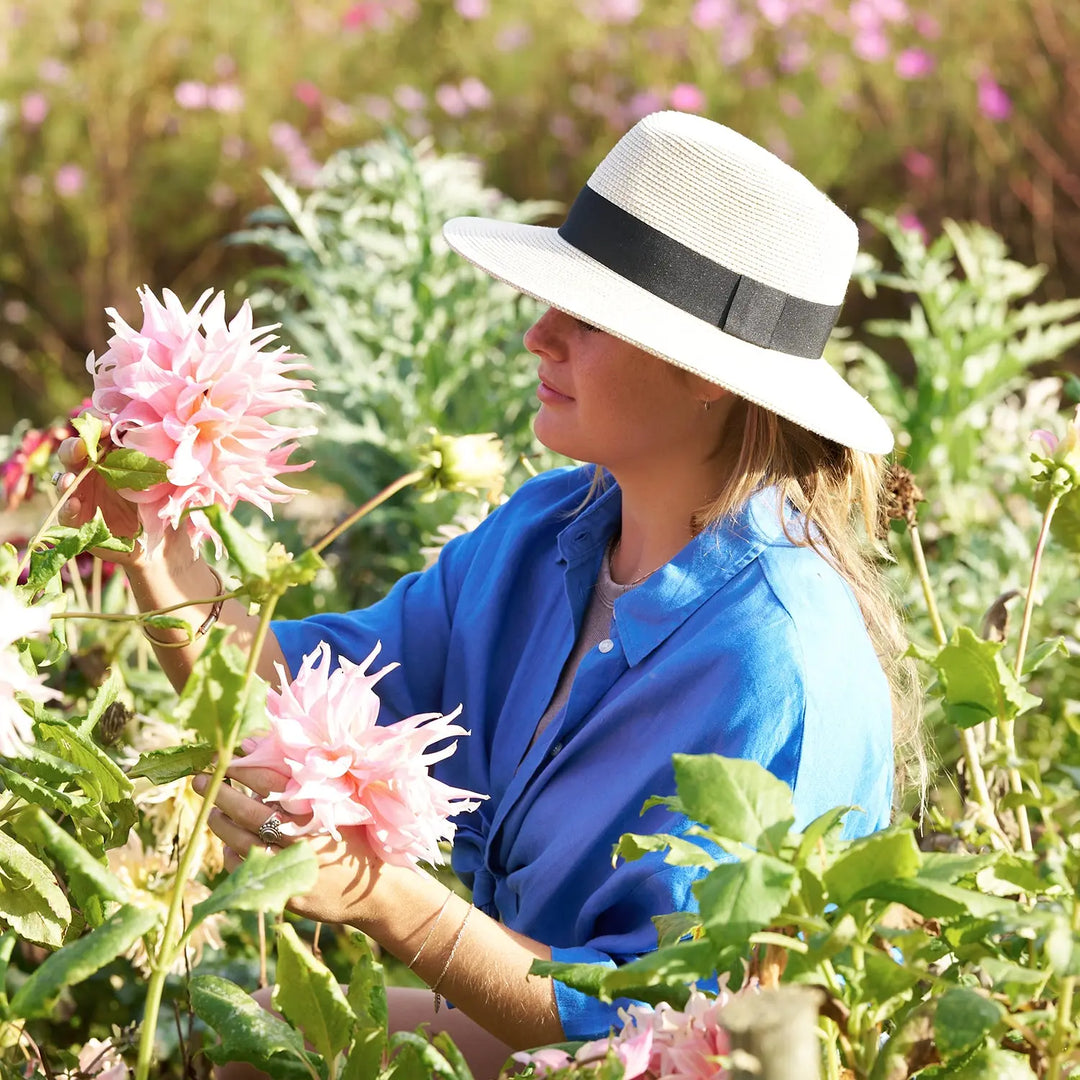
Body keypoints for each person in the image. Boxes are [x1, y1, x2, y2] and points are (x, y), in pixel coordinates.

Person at [58, 111, 920, 1079]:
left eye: (585, 318)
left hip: (653, 1062)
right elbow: (285, 694)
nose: (535, 334)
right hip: (543, 1041)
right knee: (245, 1041)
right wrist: (144, 543)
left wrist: (387, 900)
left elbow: (666, 1023)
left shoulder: (778, 659)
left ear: (704, 374)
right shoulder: (546, 536)